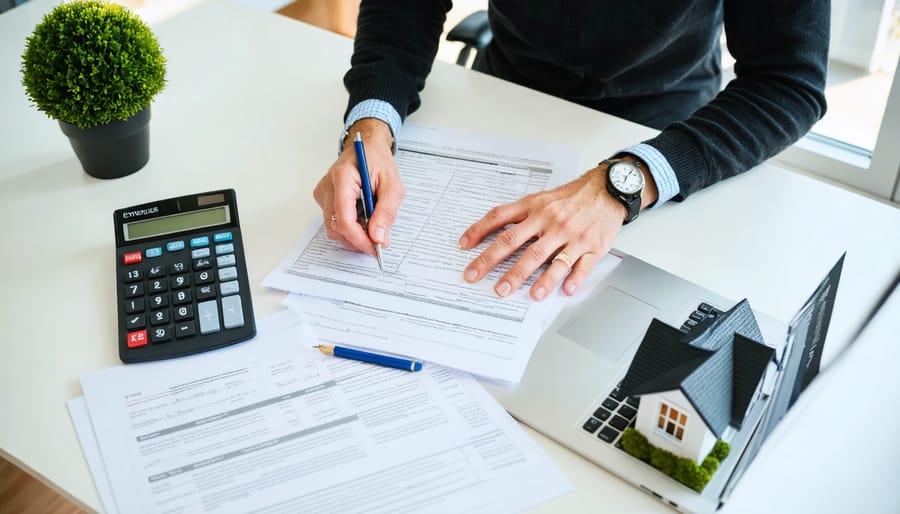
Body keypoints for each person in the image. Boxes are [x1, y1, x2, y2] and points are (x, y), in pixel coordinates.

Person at [313, 0, 829, 301]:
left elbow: (789, 79)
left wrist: (625, 182)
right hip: (506, 96)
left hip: (668, 126)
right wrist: (371, 121)